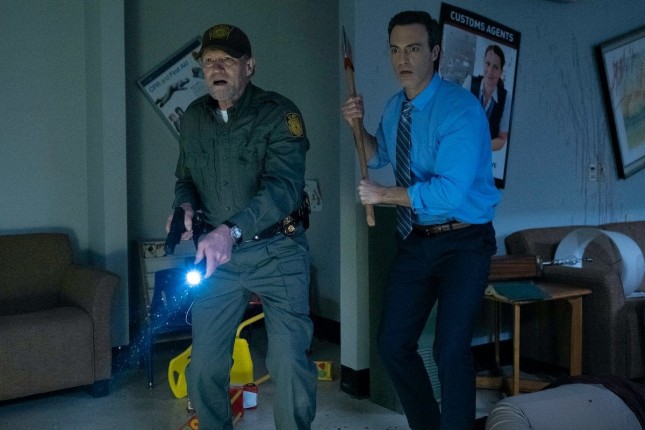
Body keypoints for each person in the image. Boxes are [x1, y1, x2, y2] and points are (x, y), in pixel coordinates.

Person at [342, 11, 500, 430]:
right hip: (418, 238)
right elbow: (378, 155)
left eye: (413, 49)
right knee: (392, 343)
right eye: (395, 50)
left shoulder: (460, 110)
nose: (402, 59)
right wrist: (357, 127)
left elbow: (449, 193)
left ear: (435, 52)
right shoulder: (396, 107)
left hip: (465, 241)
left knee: (450, 350)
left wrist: (383, 195)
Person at [166, 23, 317, 430]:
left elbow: (283, 188)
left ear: (249, 67)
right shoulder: (193, 119)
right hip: (220, 261)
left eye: (227, 61)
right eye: (208, 61)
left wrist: (230, 231)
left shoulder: (279, 114)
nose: (216, 68)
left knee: (287, 362)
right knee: (203, 369)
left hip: (278, 251)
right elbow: (186, 178)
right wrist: (183, 205)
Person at [462, 44, 511, 151]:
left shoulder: (505, 98)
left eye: (495, 67)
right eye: (488, 64)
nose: (490, 71)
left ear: (501, 72)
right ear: (483, 63)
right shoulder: (470, 83)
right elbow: (457, 118)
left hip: (486, 155)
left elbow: (502, 138)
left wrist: (482, 146)